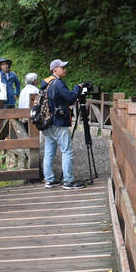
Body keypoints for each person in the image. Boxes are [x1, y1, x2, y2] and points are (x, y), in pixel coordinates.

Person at [41, 59, 85, 190]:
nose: (65, 69)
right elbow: (70, 98)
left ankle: (49, 180)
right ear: (55, 70)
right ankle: (68, 181)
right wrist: (78, 88)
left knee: (49, 152)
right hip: (58, 122)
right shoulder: (57, 83)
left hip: (46, 122)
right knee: (66, 151)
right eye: (62, 68)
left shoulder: (45, 83)